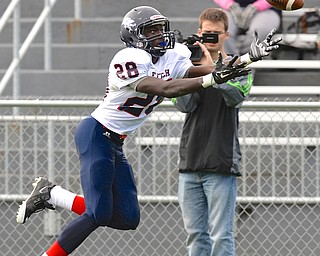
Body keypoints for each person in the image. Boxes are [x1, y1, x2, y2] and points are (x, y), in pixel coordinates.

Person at [15, 5, 281, 256]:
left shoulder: (171, 55)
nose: (159, 35)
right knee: (97, 214)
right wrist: (212, 77)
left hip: (115, 142)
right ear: (134, 36)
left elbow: (206, 70)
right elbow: (167, 89)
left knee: (126, 217)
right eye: (150, 31)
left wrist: (247, 58)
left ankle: (51, 194)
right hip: (96, 134)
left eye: (159, 28)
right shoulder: (128, 58)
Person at [173, 7, 253, 256]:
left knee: (221, 235)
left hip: (221, 163)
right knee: (196, 236)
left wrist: (215, 73)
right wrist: (195, 71)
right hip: (190, 163)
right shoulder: (186, 68)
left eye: (216, 34)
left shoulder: (239, 65)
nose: (211, 38)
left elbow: (236, 98)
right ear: (199, 33)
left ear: (226, 35)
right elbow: (184, 106)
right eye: (207, 34)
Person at [213, 0, 282, 55]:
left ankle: (246, 62)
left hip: (267, 10)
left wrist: (257, 6)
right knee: (221, 29)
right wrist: (230, 5)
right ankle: (230, 63)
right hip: (230, 9)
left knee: (258, 31)